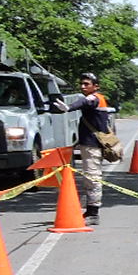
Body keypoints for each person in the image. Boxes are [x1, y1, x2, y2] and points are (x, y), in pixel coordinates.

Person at [57, 72, 111, 224]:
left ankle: (93, 214)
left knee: (92, 178)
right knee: (90, 178)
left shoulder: (94, 98)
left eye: (86, 84)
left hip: (92, 146)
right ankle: (90, 212)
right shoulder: (98, 99)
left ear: (96, 86)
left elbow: (85, 102)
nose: (83, 86)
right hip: (90, 145)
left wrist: (68, 107)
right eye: (81, 83)